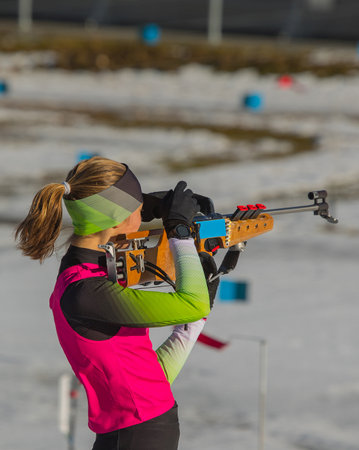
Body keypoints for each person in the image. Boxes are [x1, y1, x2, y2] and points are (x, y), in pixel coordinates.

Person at [15, 156, 219, 450]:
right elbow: (192, 304)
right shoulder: (89, 293)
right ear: (119, 219)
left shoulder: (81, 275)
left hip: (134, 428)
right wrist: (179, 232)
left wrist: (187, 330)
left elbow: (145, 381)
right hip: (143, 433)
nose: (144, 214)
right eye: (139, 208)